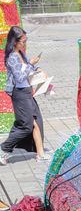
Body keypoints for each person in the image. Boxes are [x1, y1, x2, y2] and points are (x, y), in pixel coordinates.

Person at [0, 26, 47, 165]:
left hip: (27, 92)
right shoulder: (11, 57)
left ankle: (41, 155)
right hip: (19, 94)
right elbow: (20, 77)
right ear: (15, 41)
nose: (25, 44)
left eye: (26, 41)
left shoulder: (21, 52)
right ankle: (4, 148)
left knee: (36, 122)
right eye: (23, 41)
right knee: (26, 126)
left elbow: (28, 67)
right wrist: (30, 64)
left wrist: (37, 67)